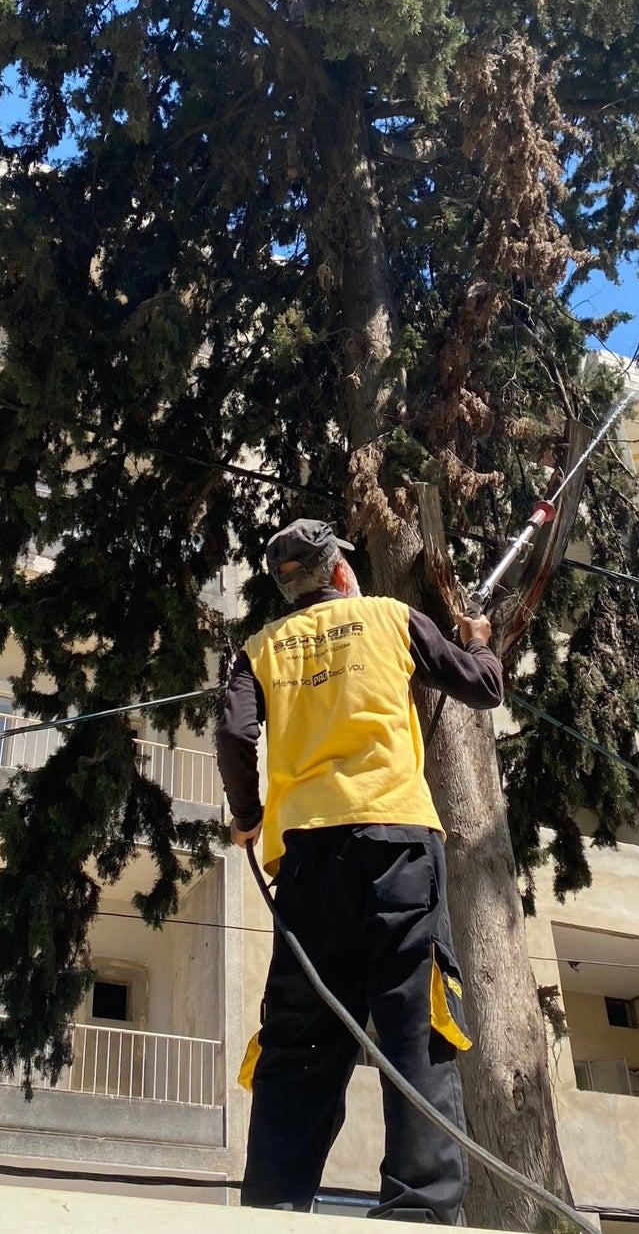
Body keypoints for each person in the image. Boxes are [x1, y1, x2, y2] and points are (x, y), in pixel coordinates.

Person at [216, 518, 504, 1224]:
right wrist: (477, 640)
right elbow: (483, 688)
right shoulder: (391, 618)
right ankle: (420, 1209)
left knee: (301, 1035)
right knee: (416, 1021)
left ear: (287, 585)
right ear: (341, 568)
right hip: (397, 843)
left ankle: (274, 1206)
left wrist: (249, 814)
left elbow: (232, 732)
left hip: (308, 859)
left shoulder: (260, 647)